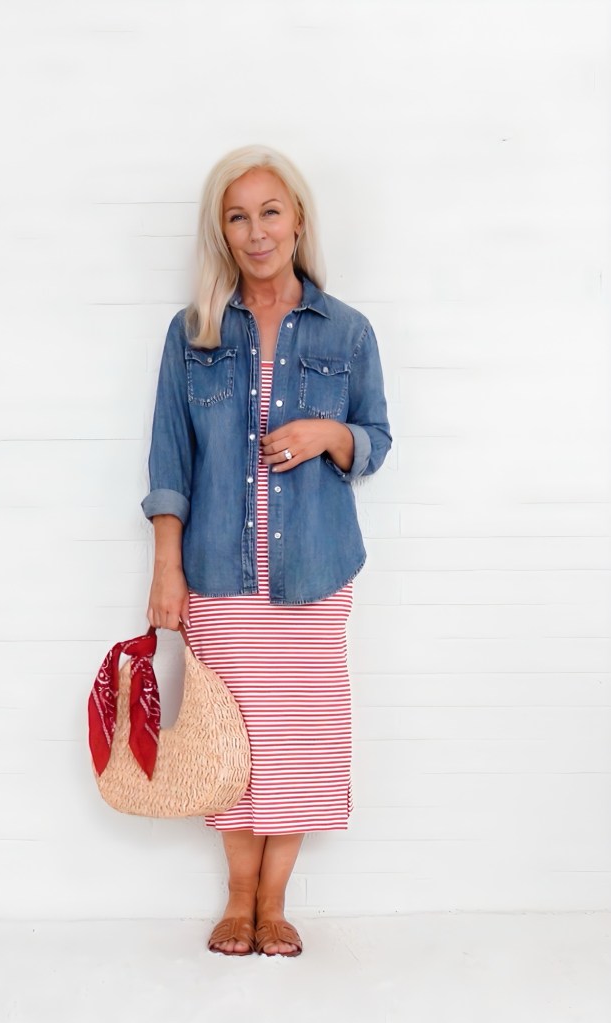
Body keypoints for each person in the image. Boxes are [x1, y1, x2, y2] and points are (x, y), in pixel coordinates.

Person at [142, 144, 392, 957]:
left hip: (313, 576)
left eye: (270, 212)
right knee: (233, 747)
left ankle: (275, 904)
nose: (256, 232)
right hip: (220, 575)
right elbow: (170, 461)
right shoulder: (194, 335)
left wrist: (330, 434)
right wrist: (167, 567)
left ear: (298, 220)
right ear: (223, 232)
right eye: (238, 217)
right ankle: (236, 897)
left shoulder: (348, 332)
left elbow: (377, 441)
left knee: (298, 746)